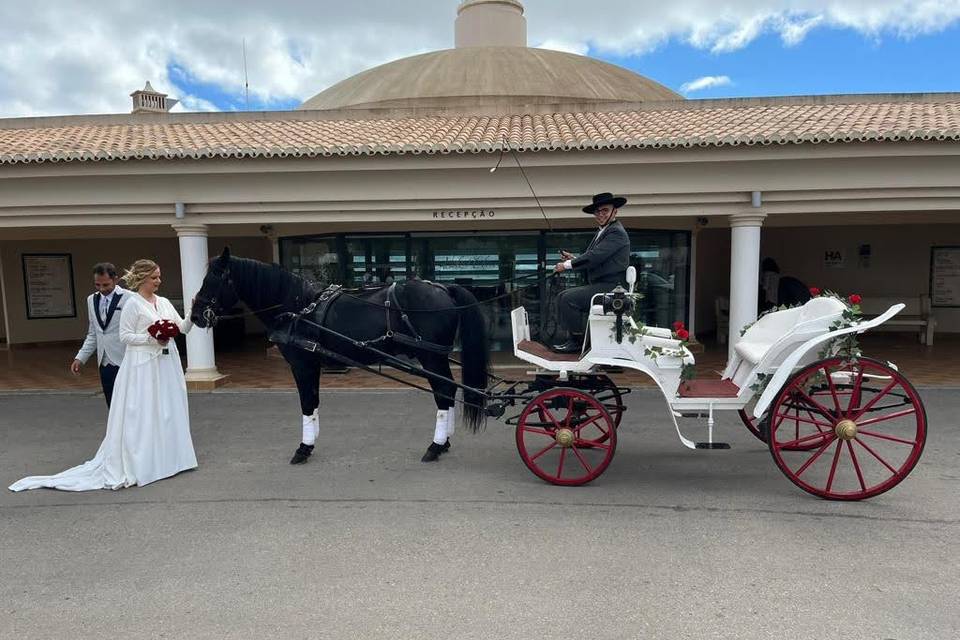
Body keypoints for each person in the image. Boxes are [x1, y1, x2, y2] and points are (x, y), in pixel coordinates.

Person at [9, 259, 198, 492]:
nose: (159, 281)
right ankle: (143, 461)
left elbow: (181, 328)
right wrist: (151, 339)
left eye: (159, 276)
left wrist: (192, 313)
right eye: (154, 277)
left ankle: (170, 459)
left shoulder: (165, 302)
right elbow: (126, 336)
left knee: (167, 408)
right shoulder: (132, 304)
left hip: (166, 364)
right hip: (141, 364)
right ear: (142, 278)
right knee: (141, 412)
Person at [551, 192, 631, 353]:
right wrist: (574, 258)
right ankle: (577, 338)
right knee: (562, 296)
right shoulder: (604, 231)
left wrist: (566, 265)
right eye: (598, 211)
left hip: (612, 288)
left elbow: (595, 257)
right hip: (604, 285)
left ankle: (578, 342)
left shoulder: (616, 232)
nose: (601, 214)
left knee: (568, 299)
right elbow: (598, 259)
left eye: (605, 211)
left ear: (615, 211)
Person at [71, 262, 126, 407]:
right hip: (104, 361)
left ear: (115, 280)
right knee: (112, 403)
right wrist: (80, 357)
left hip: (125, 359)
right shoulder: (91, 300)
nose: (102, 289)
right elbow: (93, 333)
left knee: (128, 403)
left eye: (106, 285)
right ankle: (115, 430)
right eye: (97, 285)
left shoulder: (129, 298)